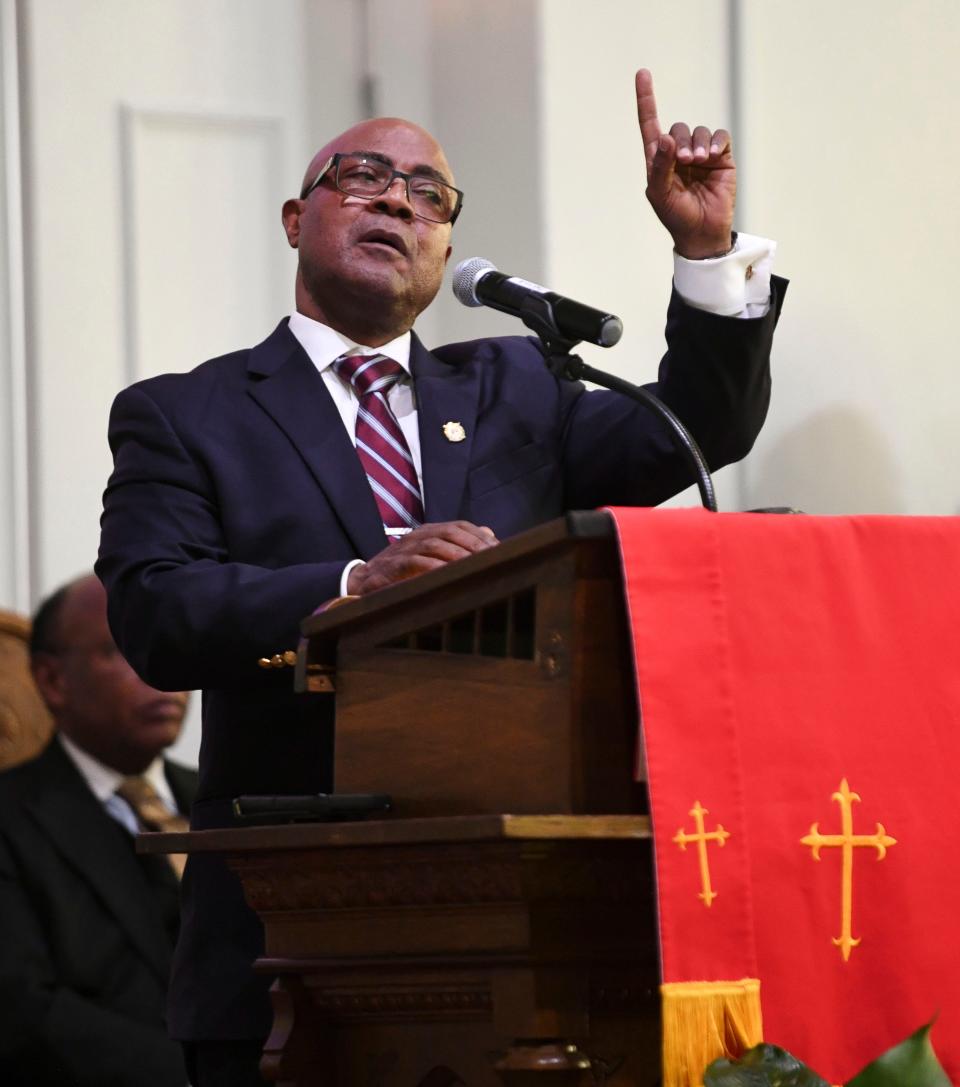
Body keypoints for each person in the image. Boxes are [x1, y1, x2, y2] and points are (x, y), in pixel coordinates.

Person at [97, 70, 786, 1085]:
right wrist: (350, 583)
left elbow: (694, 430)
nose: (396, 200)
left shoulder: (515, 385)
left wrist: (702, 252)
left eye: (428, 194)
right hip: (288, 937)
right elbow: (157, 609)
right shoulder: (187, 415)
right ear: (296, 219)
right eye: (364, 176)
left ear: (448, 251)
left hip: (520, 921)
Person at [0, 574, 195, 1086]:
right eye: (128, 648)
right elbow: (21, 1009)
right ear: (52, 680)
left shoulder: (237, 803)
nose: (161, 672)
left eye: (169, 645)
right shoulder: (10, 817)